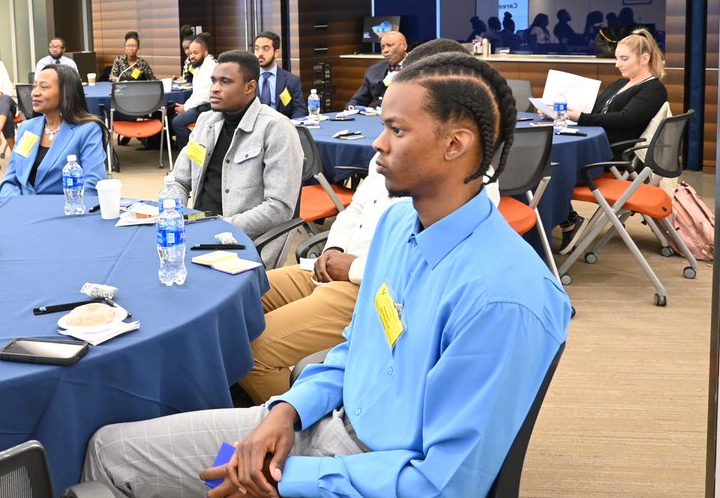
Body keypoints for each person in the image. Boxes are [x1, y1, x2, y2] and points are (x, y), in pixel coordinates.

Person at [81, 51, 571, 498]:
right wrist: (288, 410)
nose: (377, 143)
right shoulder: (401, 224)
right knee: (106, 448)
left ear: (455, 144)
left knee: (115, 464)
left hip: (367, 471)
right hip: (319, 426)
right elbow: (358, 347)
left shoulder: (505, 298)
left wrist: (290, 477)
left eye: (396, 130)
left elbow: (444, 485)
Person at [238, 39, 506, 404]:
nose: (379, 143)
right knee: (233, 303)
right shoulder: (394, 162)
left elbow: (415, 275)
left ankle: (302, 432)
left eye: (397, 129)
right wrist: (332, 247)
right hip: (331, 267)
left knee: (252, 352)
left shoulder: (467, 193)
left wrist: (351, 267)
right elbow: (356, 209)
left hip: (368, 290)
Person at [167, 49, 301, 240]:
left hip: (242, 239)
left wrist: (221, 227)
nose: (214, 88)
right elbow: (178, 180)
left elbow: (279, 207)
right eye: (214, 80)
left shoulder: (276, 128)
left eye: (225, 82)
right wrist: (171, 213)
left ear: (250, 87)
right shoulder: (205, 121)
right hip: (197, 229)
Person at [0, 65, 107, 196]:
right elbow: (11, 180)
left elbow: (92, 186)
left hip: (64, 211)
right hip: (21, 209)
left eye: (44, 87)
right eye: (35, 86)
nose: (35, 93)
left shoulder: (88, 130)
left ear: (65, 92)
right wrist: (16, 205)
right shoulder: (27, 128)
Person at [565, 28, 667, 147]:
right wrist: (560, 112)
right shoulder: (620, 83)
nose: (617, 64)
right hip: (596, 140)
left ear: (644, 58)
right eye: (617, 58)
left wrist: (581, 118)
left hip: (611, 149)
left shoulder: (653, 90)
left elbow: (625, 119)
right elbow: (596, 109)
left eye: (624, 59)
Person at [172, 33, 216, 146]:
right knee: (174, 115)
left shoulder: (209, 67)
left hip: (208, 107)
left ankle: (194, 150)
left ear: (205, 52)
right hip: (201, 105)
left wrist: (185, 108)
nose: (191, 56)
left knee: (177, 123)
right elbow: (196, 94)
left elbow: (204, 96)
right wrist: (184, 107)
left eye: (195, 53)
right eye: (190, 53)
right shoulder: (200, 66)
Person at [252, 31, 306, 119]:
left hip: (282, 128)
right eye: (257, 49)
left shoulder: (292, 81)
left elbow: (299, 110)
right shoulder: (248, 78)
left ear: (276, 52)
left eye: (265, 49)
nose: (260, 53)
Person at [348, 30, 407, 108]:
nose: (385, 50)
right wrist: (351, 109)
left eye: (390, 45)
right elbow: (357, 101)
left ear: (404, 46)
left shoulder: (420, 69)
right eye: (382, 47)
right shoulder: (373, 71)